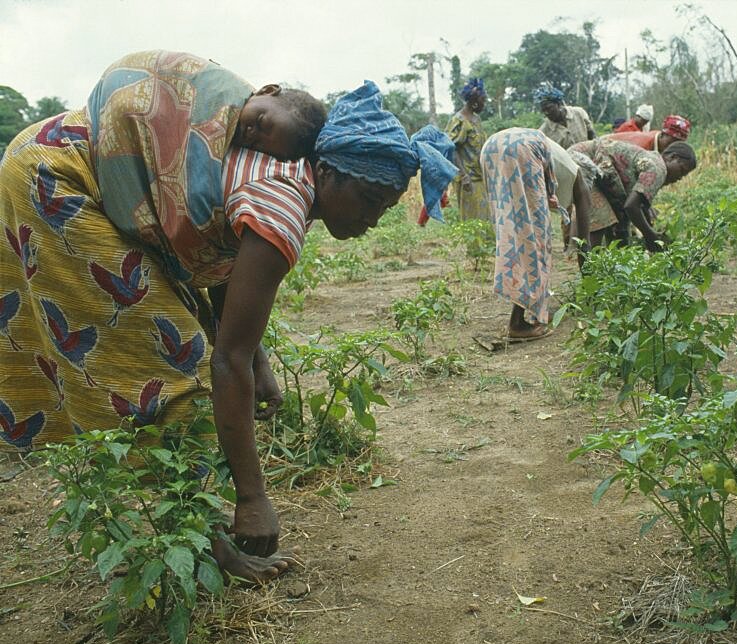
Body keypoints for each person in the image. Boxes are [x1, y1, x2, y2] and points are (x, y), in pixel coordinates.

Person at [0, 47, 456, 582]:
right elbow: (226, 361)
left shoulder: (288, 173)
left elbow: (220, 258)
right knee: (172, 367)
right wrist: (254, 497)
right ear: (328, 173)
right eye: (371, 199)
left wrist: (258, 360)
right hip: (59, 176)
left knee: (177, 340)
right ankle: (202, 549)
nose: (375, 219)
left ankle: (184, 531)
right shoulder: (283, 207)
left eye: (385, 206)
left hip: (56, 149)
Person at [480, 128, 592, 341]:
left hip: (492, 146)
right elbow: (583, 242)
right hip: (523, 150)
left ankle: (529, 306)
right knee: (534, 240)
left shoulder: (563, 164)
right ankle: (518, 323)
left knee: (511, 232)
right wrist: (591, 285)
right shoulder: (580, 182)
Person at [569, 138, 697, 251]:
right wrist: (649, 235)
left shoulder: (653, 161)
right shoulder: (659, 168)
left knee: (621, 228)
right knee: (599, 222)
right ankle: (589, 274)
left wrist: (650, 226)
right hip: (582, 161)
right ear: (672, 157)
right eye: (681, 170)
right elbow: (631, 206)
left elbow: (636, 205)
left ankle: (612, 272)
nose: (680, 177)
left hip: (586, 164)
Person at [445, 78, 490, 221]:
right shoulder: (459, 121)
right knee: (472, 220)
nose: (484, 104)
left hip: (480, 177)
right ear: (474, 102)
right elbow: (451, 149)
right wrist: (464, 176)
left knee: (485, 219)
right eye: (483, 100)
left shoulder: (476, 119)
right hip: (468, 179)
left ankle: (487, 244)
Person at [535, 83, 595, 150]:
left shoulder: (579, 113)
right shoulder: (544, 131)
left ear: (558, 104)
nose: (547, 112)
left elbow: (591, 133)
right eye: (544, 110)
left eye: (549, 108)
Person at [608, 113, 692, 153]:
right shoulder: (641, 146)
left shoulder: (660, 141)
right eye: (671, 142)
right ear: (662, 134)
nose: (673, 147)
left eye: (678, 144)